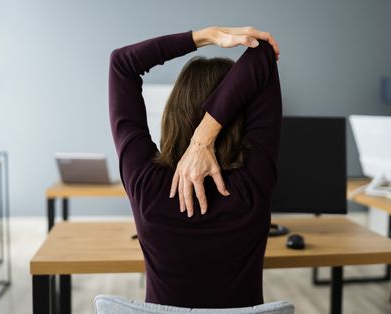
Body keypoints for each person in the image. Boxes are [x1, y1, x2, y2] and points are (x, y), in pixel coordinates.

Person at [109, 26, 282, 308]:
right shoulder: (253, 184)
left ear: (173, 112)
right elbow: (262, 53)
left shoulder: (146, 184)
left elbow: (122, 63)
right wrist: (205, 135)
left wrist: (207, 36)